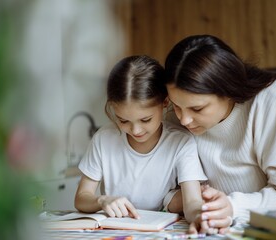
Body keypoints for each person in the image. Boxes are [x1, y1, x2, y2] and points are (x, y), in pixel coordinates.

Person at [163, 34, 276, 234]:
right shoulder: (175, 118)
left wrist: (232, 206)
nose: (184, 120)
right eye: (176, 106)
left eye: (197, 109)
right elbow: (165, 189)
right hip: (237, 227)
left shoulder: (273, 101)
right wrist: (192, 200)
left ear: (228, 90)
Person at [74, 55, 208, 231]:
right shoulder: (103, 139)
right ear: (113, 108)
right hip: (114, 229)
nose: (136, 130)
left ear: (165, 102)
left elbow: (192, 201)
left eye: (146, 119)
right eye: (123, 120)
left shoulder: (181, 142)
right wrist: (102, 200)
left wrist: (200, 217)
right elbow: (81, 198)